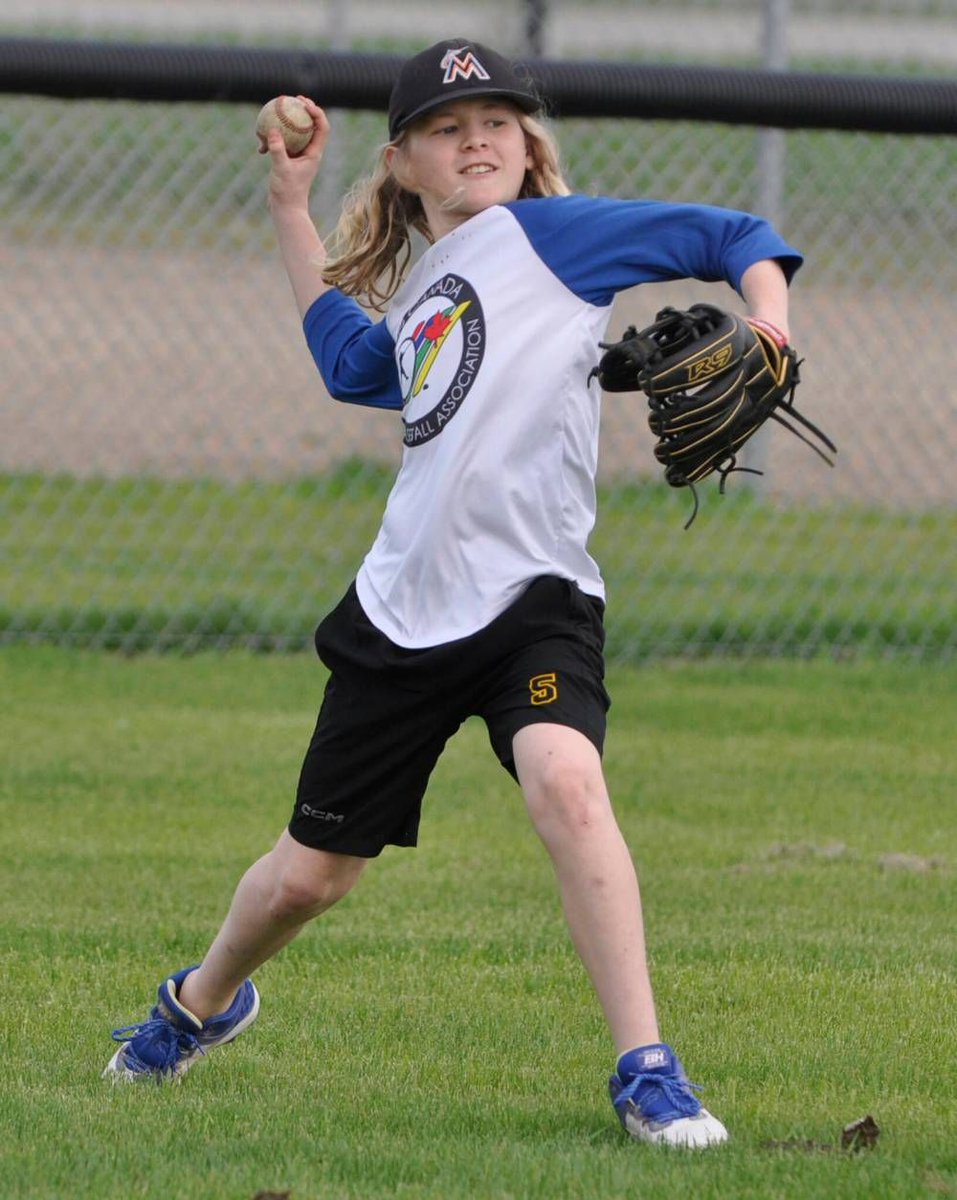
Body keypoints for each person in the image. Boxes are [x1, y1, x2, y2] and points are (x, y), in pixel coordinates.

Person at [104, 37, 802, 1150]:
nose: (478, 137)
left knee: (568, 786)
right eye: (446, 126)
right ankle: (200, 1004)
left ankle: (648, 1071)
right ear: (402, 165)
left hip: (537, 592)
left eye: (499, 121)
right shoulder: (431, 286)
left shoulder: (557, 236)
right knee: (307, 880)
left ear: (530, 150)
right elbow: (348, 362)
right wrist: (290, 203)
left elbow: (739, 240)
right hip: (403, 612)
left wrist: (769, 325)